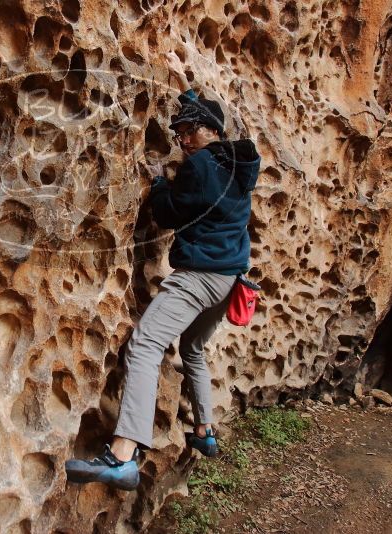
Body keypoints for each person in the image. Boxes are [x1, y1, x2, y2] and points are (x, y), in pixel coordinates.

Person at [64, 52, 261, 491]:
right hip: (230, 279)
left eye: (188, 130)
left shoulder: (199, 166)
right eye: (179, 131)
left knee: (146, 344)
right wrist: (190, 99)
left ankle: (122, 454)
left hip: (200, 278)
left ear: (209, 129)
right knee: (192, 347)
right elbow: (203, 173)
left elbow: (170, 213)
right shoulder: (238, 165)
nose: (182, 139)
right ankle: (206, 431)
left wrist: (158, 186)